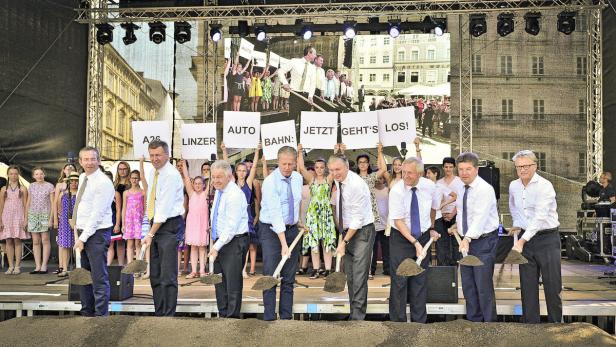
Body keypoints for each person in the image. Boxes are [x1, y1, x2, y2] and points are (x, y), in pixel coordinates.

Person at [508, 150, 561, 324]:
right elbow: (514, 207)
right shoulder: (514, 185)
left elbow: (540, 217)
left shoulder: (545, 186)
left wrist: (522, 241)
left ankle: (556, 327)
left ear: (535, 166)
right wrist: (517, 224)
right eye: (518, 167)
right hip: (525, 238)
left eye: (526, 166)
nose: (522, 170)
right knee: (527, 286)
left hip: (547, 239)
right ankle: (531, 328)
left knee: (552, 286)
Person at [388, 157, 440, 322]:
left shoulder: (430, 186)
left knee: (420, 278)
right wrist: (415, 243)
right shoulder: (397, 190)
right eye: (403, 172)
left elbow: (434, 208)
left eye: (409, 173)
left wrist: (432, 228)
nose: (405, 176)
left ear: (420, 173)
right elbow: (398, 221)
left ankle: (419, 323)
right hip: (401, 237)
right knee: (400, 279)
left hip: (423, 235)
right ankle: (398, 323)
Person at [329, 153, 376, 320]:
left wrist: (344, 241)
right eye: (332, 170)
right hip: (348, 230)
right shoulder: (338, 180)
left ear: (347, 167)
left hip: (362, 231)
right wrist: (342, 235)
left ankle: (357, 320)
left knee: (359, 275)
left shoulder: (356, 184)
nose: (335, 173)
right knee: (350, 275)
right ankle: (353, 314)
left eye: (338, 169)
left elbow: (357, 219)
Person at [258, 146, 303, 321]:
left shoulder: (298, 178)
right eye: (283, 164)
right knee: (271, 274)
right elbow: (276, 214)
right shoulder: (270, 182)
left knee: (289, 276)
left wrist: (298, 222)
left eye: (290, 164)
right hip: (271, 231)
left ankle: (286, 317)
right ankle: (269, 317)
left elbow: (296, 202)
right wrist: (284, 244)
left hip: (292, 230)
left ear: (295, 162)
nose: (286, 167)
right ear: (277, 162)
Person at [454, 152, 499, 322]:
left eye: (468, 169)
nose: (464, 173)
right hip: (467, 241)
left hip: (483, 242)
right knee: (468, 285)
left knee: (483, 286)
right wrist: (457, 227)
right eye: (461, 169)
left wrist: (467, 238)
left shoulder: (484, 189)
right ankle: (474, 324)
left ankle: (489, 326)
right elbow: (462, 212)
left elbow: (480, 218)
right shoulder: (460, 186)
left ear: (476, 169)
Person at [142, 140, 185, 316]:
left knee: (168, 274)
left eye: (158, 155)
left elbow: (164, 208)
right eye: (151, 155)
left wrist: (150, 234)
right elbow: (152, 201)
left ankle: (168, 315)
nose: (155, 159)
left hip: (169, 225)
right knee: (156, 274)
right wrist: (149, 228)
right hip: (156, 224)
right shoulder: (153, 172)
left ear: (167, 154)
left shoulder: (171, 175)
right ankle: (159, 313)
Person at [72, 147, 115, 316]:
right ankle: (86, 314)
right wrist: (77, 226)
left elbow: (97, 214)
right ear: (80, 161)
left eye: (92, 159)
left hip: (96, 234)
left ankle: (100, 317)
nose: (89, 162)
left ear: (99, 161)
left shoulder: (103, 183)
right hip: (83, 231)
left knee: (98, 278)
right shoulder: (83, 177)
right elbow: (84, 206)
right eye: (86, 159)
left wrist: (82, 238)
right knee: (84, 276)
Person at [208, 160, 250, 318]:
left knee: (232, 284)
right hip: (221, 241)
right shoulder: (220, 190)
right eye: (213, 177)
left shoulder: (234, 194)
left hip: (234, 242)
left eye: (219, 177)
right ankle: (223, 314)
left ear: (229, 176)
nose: (215, 180)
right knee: (219, 282)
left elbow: (231, 227)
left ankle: (231, 319)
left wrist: (215, 247)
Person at [297, 144, 336, 279]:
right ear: (314, 168)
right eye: (317, 167)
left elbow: (335, 165)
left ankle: (328, 269)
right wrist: (300, 152)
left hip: (326, 214)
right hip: (313, 214)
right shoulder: (311, 179)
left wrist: (336, 151)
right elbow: (301, 168)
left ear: (325, 168)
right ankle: (315, 269)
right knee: (313, 242)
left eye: (321, 167)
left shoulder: (329, 179)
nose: (319, 170)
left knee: (327, 242)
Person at [179, 160, 209, 279]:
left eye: (199, 183)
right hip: (192, 224)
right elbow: (186, 177)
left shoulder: (205, 194)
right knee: (193, 248)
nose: (197, 185)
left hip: (202, 224)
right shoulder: (191, 194)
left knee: (202, 248)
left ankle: (202, 270)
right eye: (195, 183)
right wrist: (184, 165)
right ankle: (193, 271)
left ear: (203, 185)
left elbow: (211, 178)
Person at [0, 165, 29, 275]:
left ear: (18, 175)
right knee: (8, 241)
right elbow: (1, 206)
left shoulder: (23, 189)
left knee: (17, 240)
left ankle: (17, 266)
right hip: (7, 217)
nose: (13, 176)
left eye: (15, 174)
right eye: (11, 173)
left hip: (18, 217)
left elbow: (26, 205)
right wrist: (0, 220)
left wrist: (25, 219)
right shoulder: (4, 189)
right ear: (7, 175)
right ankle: (10, 266)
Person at [26, 167, 55, 274]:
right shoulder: (31, 186)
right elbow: (28, 202)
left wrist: (51, 218)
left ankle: (44, 265)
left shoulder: (50, 186)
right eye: (37, 174)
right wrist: (26, 217)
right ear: (33, 176)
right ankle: (37, 265)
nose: (39, 176)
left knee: (45, 240)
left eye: (41, 174)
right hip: (33, 215)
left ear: (44, 174)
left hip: (45, 215)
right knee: (36, 241)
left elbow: (52, 203)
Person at [277, 46, 317, 120]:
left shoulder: (313, 68)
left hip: (306, 97)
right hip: (295, 95)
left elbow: (313, 83)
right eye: (314, 53)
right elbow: (280, 71)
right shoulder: (294, 61)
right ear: (309, 53)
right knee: (292, 118)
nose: (315, 56)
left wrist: (310, 96)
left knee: (305, 121)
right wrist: (285, 83)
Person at [436, 157, 464, 266]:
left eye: (450, 167)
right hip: (442, 216)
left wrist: (453, 213)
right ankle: (444, 267)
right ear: (443, 168)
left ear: (454, 168)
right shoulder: (439, 182)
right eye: (446, 167)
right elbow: (439, 201)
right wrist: (442, 213)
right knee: (442, 242)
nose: (448, 169)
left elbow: (461, 199)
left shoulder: (459, 181)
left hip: (455, 215)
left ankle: (456, 265)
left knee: (456, 241)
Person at [52, 163, 76, 274]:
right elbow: (57, 203)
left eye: (72, 169)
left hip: (77, 219)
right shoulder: (61, 188)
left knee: (76, 242)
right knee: (64, 243)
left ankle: (77, 267)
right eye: (68, 168)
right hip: (65, 219)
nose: (70, 170)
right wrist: (57, 218)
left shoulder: (80, 188)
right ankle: (63, 267)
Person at [121, 170, 146, 265]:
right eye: (132, 178)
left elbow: (144, 208)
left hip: (139, 221)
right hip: (129, 221)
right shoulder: (126, 193)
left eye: (136, 178)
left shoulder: (143, 192)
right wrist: (123, 224)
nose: (134, 180)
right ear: (130, 179)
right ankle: (130, 265)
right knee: (130, 244)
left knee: (138, 243)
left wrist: (144, 222)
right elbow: (124, 208)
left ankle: (138, 265)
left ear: (139, 179)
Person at [108, 161, 129, 266]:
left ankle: (122, 265)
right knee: (112, 241)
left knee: (123, 242)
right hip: (115, 214)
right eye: (120, 169)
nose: (122, 171)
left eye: (124, 169)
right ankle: (110, 266)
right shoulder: (114, 184)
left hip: (128, 214)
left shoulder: (131, 183)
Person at [370, 175, 390, 278]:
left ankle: (387, 269)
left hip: (386, 224)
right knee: (372, 248)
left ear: (384, 180)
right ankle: (371, 269)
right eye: (376, 178)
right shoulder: (371, 191)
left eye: (381, 178)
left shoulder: (388, 191)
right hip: (373, 224)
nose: (379, 180)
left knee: (386, 248)